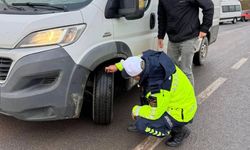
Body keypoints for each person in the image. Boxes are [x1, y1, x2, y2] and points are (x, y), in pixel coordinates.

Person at [105, 50, 197, 147]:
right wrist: (117, 66)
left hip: (181, 111)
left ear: (137, 76)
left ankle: (179, 131)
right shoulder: (149, 60)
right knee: (145, 94)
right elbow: (134, 61)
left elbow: (155, 113)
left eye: (131, 76)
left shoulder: (156, 88)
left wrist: (137, 110)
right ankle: (160, 121)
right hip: (177, 99)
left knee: (142, 125)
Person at [157, 0, 214, 85]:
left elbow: (209, 6)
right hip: (173, 39)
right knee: (171, 69)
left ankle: (189, 97)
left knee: (185, 70)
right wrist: (160, 36)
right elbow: (162, 17)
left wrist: (204, 28)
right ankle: (178, 94)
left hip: (189, 37)